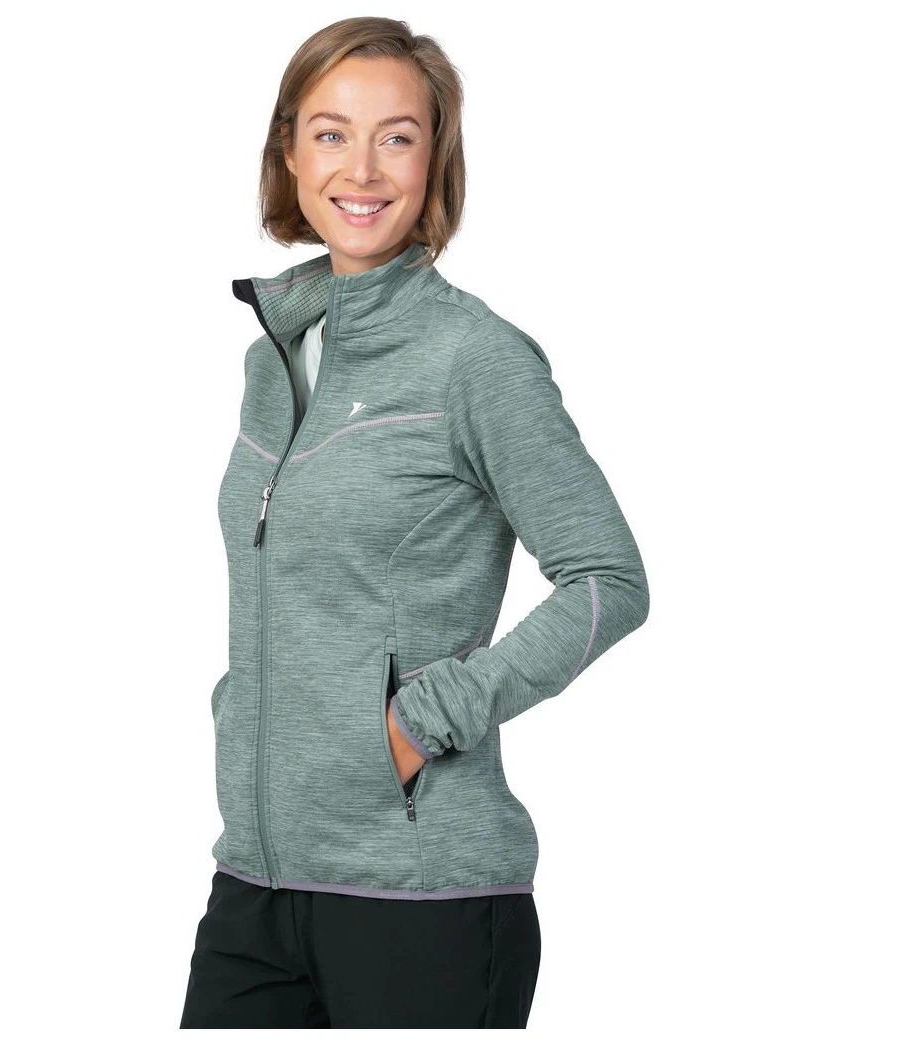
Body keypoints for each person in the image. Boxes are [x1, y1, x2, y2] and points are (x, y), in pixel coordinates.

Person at [179, 16, 649, 1030]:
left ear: (434, 160)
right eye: (331, 133)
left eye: (396, 136)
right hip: (256, 883)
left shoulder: (474, 359)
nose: (362, 169)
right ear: (290, 152)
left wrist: (413, 724)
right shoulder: (273, 358)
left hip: (424, 896)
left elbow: (608, 580)